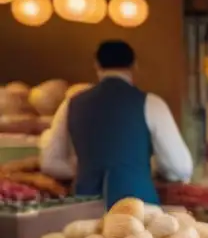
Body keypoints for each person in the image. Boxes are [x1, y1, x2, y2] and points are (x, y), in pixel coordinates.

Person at [41, 40, 193, 207]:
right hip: (138, 208)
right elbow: (180, 168)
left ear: (96, 65)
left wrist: (87, 166)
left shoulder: (70, 104)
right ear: (134, 65)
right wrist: (151, 168)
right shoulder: (151, 103)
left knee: (84, 234)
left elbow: (50, 163)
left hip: (84, 208)